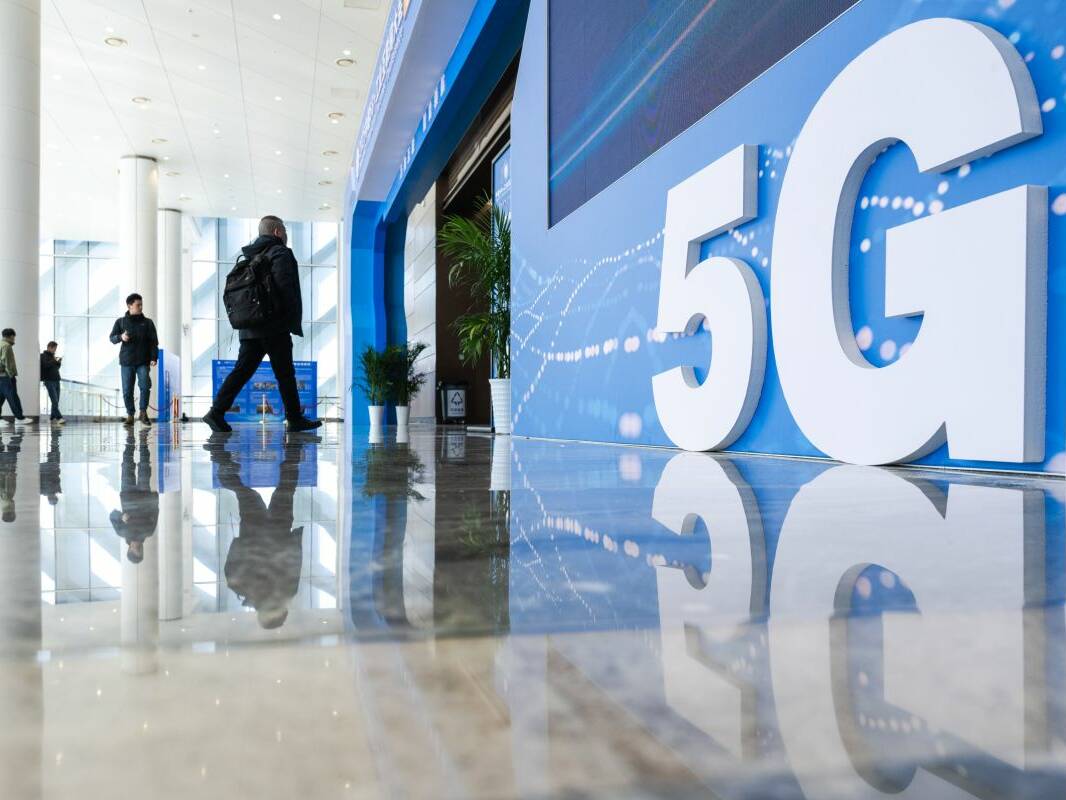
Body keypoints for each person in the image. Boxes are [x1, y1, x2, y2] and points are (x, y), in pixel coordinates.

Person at [203, 215, 321, 434]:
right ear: (277, 231)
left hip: (250, 327)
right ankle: (294, 418)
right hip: (273, 326)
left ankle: (216, 412)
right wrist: (288, 319)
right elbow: (285, 288)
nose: (286, 235)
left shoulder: (251, 256)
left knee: (242, 371)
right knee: (285, 374)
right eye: (284, 231)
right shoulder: (280, 252)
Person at [205, 431, 308, 629]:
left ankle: (292, 447)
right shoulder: (244, 588)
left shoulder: (282, 591)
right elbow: (232, 566)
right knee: (249, 493)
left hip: (273, 528)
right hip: (260, 529)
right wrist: (241, 543)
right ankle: (220, 457)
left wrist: (243, 543)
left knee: (277, 489)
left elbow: (294, 561)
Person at [109, 429, 159, 563]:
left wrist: (121, 517)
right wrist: (154, 498)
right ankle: (143, 440)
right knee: (144, 465)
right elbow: (156, 512)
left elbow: (112, 515)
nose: (139, 548)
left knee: (127, 464)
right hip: (144, 493)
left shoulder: (122, 532)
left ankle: (130, 438)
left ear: (130, 549)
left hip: (128, 494)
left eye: (137, 550)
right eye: (141, 551)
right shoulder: (148, 532)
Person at [109, 293, 158, 427]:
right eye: (138, 305)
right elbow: (112, 338)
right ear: (129, 306)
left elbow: (153, 342)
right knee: (127, 390)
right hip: (126, 361)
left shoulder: (148, 323)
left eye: (141, 305)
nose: (141, 307)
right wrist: (121, 337)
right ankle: (130, 415)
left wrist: (154, 357)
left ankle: (143, 412)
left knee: (145, 386)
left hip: (143, 361)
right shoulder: (121, 322)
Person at [0, 328, 35, 425]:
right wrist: (11, 375)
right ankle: (20, 418)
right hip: (6, 376)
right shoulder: (6, 346)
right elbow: (8, 362)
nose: (14, 339)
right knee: (13, 397)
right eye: (14, 337)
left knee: (1, 397)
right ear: (11, 336)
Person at [40, 341, 64, 424]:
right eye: (54, 348)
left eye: (55, 349)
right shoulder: (43, 356)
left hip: (57, 380)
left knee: (56, 401)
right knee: (54, 400)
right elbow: (45, 365)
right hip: (49, 381)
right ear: (49, 347)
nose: (55, 350)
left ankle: (52, 417)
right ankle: (59, 417)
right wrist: (53, 361)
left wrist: (58, 363)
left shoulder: (53, 357)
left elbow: (56, 368)